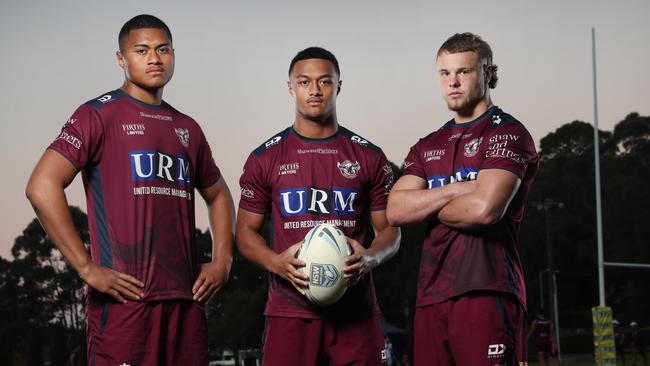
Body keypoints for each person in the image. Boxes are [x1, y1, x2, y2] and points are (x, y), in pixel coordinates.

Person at [25, 14, 235, 365]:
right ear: (121, 59)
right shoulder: (98, 115)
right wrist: (87, 267)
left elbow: (219, 196)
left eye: (163, 49)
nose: (155, 58)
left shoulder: (187, 127)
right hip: (125, 302)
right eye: (142, 50)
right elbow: (41, 186)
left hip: (186, 303)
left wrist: (222, 261)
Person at [236, 46, 400, 366]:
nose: (314, 90)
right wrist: (275, 262)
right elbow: (245, 232)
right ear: (290, 87)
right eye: (304, 82)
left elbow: (390, 229)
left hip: (356, 309)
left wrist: (370, 257)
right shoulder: (265, 158)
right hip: (290, 310)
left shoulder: (368, 157)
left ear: (338, 85)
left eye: (324, 81)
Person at [386, 32, 539, 366]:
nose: (452, 82)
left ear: (486, 72)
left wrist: (424, 203)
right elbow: (395, 210)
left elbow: (484, 210)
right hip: (430, 295)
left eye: (463, 72)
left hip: (487, 288)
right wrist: (461, 188)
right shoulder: (427, 144)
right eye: (445, 73)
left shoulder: (508, 133)